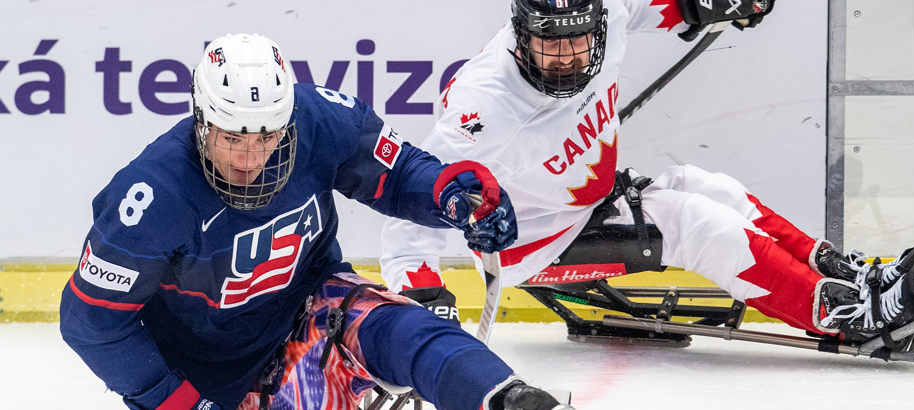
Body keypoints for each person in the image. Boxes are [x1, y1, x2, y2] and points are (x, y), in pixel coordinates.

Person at [380, 0, 914, 348]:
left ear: (597, 29)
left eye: (577, 41)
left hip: (589, 201)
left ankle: (852, 276)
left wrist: (714, 4)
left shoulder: (607, 13)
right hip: (536, 244)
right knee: (694, 223)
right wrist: (423, 297)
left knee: (712, 187)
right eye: (548, 44)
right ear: (520, 35)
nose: (566, 58)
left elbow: (666, 5)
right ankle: (844, 314)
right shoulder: (485, 110)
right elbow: (409, 210)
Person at [60, 33, 573, 410]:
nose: (250, 158)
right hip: (207, 377)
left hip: (312, 305)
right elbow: (92, 323)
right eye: (232, 137)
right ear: (201, 120)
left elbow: (397, 175)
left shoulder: (319, 118)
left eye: (267, 136)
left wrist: (452, 197)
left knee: (398, 326)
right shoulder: (150, 197)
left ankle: (508, 398)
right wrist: (177, 403)